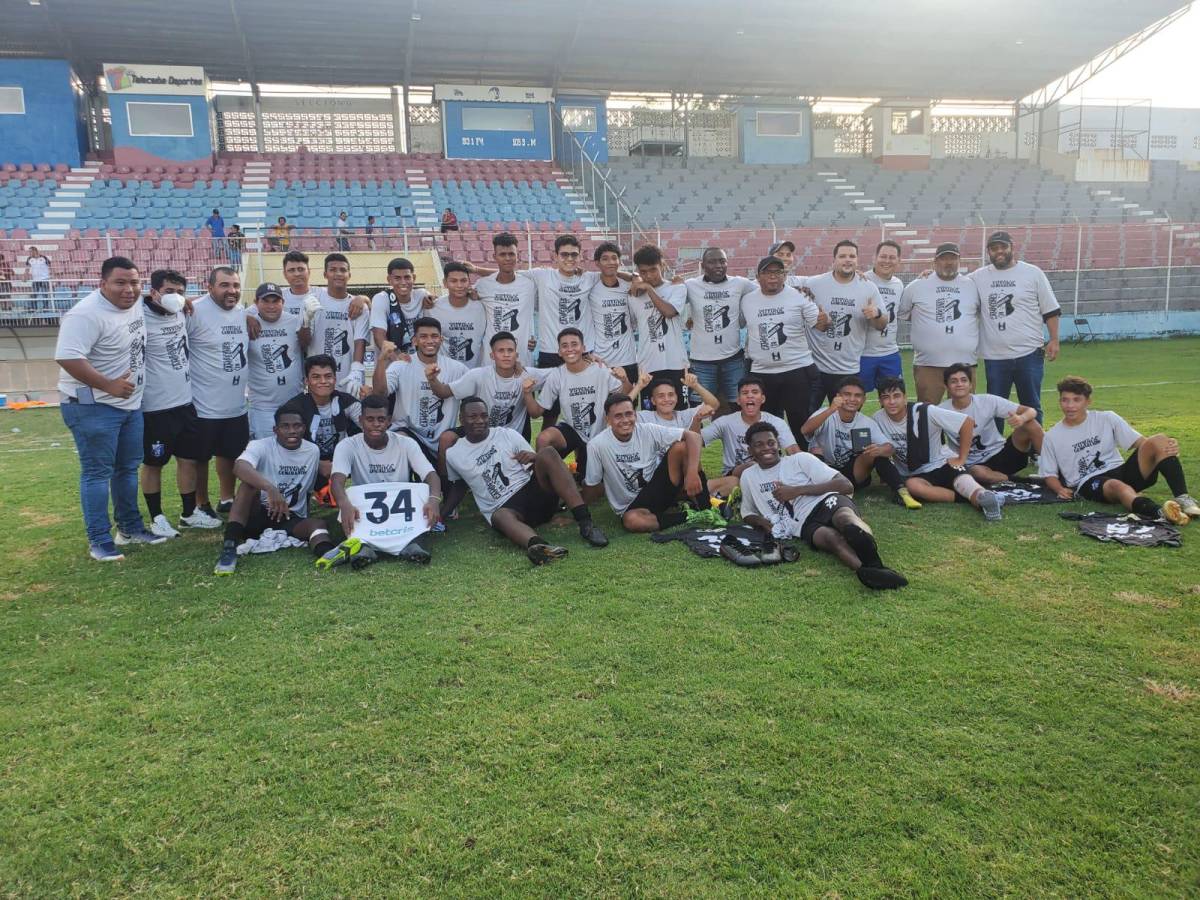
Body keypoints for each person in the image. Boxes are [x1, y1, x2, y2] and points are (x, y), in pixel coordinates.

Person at [54, 256, 163, 560]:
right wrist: (107, 385)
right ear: (102, 283)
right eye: (120, 283)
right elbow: (67, 357)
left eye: (134, 282)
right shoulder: (85, 314)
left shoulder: (135, 302)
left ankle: (129, 528)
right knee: (97, 473)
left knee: (127, 468)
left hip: (129, 404)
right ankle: (99, 540)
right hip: (92, 405)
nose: (129, 289)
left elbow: (159, 301)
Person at [739, 422, 908, 590]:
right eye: (759, 445)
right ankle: (869, 572)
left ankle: (866, 548)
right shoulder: (748, 476)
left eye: (771, 443)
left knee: (845, 520)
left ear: (778, 444)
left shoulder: (800, 459)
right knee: (831, 539)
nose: (766, 448)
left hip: (825, 501)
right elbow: (747, 512)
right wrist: (760, 521)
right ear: (750, 450)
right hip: (802, 523)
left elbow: (845, 485)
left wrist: (797, 490)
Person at [443, 397, 608, 564]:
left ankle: (586, 523)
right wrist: (443, 513)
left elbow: (536, 464)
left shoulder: (506, 434)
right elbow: (460, 485)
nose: (480, 421)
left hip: (533, 492)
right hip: (507, 509)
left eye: (484, 415)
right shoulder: (454, 454)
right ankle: (539, 547)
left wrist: (534, 457)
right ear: (461, 419)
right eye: (473, 416)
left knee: (548, 453)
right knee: (499, 515)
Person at [1039, 376, 1198, 523]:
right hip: (1088, 482)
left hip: (1119, 470)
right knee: (1117, 486)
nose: (1070, 406)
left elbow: (1142, 443)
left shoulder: (1107, 418)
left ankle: (1183, 498)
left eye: (1076, 400)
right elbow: (1049, 474)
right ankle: (1161, 513)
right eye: (1065, 400)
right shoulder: (1052, 436)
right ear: (1060, 401)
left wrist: (1165, 447)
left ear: (1088, 401)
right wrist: (1059, 489)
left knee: (1159, 439)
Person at [213, 403, 336, 575]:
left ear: (304, 428)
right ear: (275, 429)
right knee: (248, 486)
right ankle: (229, 548)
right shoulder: (260, 446)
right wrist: (270, 488)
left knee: (317, 524)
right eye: (285, 426)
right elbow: (239, 467)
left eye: (297, 426)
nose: (292, 431)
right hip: (259, 512)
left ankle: (328, 554)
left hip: (290, 516)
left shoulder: (312, 450)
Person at [140, 268, 218, 536]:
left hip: (185, 402)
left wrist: (184, 301)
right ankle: (156, 517)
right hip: (156, 407)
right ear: (154, 292)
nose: (175, 297)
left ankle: (188, 513)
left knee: (188, 459)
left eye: (180, 292)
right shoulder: (139, 316)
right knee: (154, 463)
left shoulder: (181, 312)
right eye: (169, 291)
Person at [328, 394, 441, 566]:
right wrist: (344, 504)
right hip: (366, 512)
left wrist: (433, 500)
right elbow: (337, 481)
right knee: (349, 500)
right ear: (360, 420)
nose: (376, 424)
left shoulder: (406, 443)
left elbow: (431, 475)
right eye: (370, 419)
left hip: (401, 510)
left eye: (381, 419)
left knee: (422, 494)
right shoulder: (347, 445)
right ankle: (364, 548)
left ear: (389, 421)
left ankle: (414, 545)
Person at [871, 376, 1004, 520]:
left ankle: (982, 497)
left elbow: (967, 422)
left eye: (896, 396)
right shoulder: (878, 418)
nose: (891, 402)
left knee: (965, 483)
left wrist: (962, 458)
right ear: (880, 401)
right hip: (917, 475)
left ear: (905, 398)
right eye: (886, 397)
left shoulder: (925, 411)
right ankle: (974, 498)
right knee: (912, 486)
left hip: (943, 463)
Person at [970, 230, 1062, 423]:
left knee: (1031, 406)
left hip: (1029, 353)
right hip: (995, 356)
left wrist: (1054, 339)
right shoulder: (978, 277)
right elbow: (955, 285)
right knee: (995, 409)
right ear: (988, 252)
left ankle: (1035, 443)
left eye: (1003, 247)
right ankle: (995, 443)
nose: (999, 251)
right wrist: (928, 275)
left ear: (1012, 248)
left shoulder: (1032, 273)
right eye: (994, 248)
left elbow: (1050, 310)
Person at [582, 393, 709, 532]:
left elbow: (694, 437)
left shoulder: (647, 430)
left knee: (682, 447)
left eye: (629, 414)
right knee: (632, 521)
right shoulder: (597, 445)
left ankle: (706, 507)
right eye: (618, 416)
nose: (625, 420)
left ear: (635, 415)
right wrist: (580, 511)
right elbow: (592, 484)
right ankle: (690, 516)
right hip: (632, 505)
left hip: (657, 488)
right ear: (608, 419)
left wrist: (691, 473)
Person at [429, 332, 551, 474]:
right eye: (501, 351)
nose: (506, 355)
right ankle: (445, 484)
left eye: (510, 350)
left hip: (510, 438)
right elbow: (444, 392)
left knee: (519, 474)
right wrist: (432, 379)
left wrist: (580, 360)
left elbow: (558, 374)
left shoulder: (525, 374)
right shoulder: (478, 375)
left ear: (516, 355)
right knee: (447, 438)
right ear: (492, 355)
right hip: (480, 433)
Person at [802, 375, 921, 509]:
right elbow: (805, 430)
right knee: (815, 449)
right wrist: (831, 409)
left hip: (853, 474)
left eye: (857, 395)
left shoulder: (867, 422)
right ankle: (819, 490)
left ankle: (901, 492)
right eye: (847, 394)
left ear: (863, 399)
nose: (852, 399)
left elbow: (890, 448)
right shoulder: (826, 413)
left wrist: (880, 450)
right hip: (825, 472)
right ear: (838, 396)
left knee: (875, 452)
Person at [187, 266, 250, 515]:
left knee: (230, 454)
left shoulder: (242, 312)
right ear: (210, 287)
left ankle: (226, 498)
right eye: (224, 285)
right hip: (204, 404)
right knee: (200, 458)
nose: (231, 290)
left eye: (235, 285)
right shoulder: (194, 311)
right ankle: (201, 503)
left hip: (236, 404)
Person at [740, 255, 826, 438]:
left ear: (785, 275)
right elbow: (737, 322)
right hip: (762, 372)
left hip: (796, 369)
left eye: (778, 272)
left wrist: (825, 321)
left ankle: (803, 455)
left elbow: (820, 325)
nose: (773, 276)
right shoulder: (747, 300)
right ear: (758, 276)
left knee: (801, 424)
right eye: (767, 272)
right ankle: (771, 456)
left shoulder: (799, 295)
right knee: (766, 426)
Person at [525, 327, 634, 470]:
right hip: (571, 430)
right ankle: (540, 479)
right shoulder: (557, 375)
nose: (570, 349)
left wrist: (625, 380)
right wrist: (527, 393)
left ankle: (578, 471)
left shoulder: (600, 370)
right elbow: (536, 412)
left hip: (598, 434)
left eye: (574, 344)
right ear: (559, 351)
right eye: (565, 346)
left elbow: (625, 395)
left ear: (583, 348)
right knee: (543, 438)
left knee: (588, 478)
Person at [372, 316, 468, 467]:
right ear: (414, 341)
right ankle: (405, 479)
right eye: (423, 336)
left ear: (441, 339)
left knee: (450, 439)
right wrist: (381, 361)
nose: (430, 341)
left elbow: (476, 391)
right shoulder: (401, 365)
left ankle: (445, 479)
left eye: (434, 336)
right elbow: (379, 393)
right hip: (410, 434)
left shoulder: (457, 369)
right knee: (400, 436)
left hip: (442, 439)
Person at [804, 239, 887, 404]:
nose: (848, 260)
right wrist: (818, 321)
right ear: (834, 259)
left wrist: (876, 314)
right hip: (815, 368)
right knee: (807, 415)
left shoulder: (868, 287)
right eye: (842, 256)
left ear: (857, 260)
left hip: (849, 369)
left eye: (852, 256)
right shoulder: (813, 284)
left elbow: (882, 325)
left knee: (846, 416)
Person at [896, 242, 980, 404]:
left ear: (959, 261)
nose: (948, 262)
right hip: (928, 364)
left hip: (965, 363)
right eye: (944, 258)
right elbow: (904, 313)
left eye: (953, 258)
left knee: (964, 411)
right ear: (934, 262)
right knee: (928, 411)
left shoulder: (972, 285)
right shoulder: (917, 285)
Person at [940, 363, 1043, 486]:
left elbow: (1031, 411)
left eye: (964, 380)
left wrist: (1021, 418)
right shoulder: (940, 411)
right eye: (954, 381)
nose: (959, 384)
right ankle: (1024, 481)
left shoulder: (987, 401)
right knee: (978, 472)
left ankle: (1053, 471)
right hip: (975, 465)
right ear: (946, 386)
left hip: (1001, 452)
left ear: (971, 384)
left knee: (1030, 424)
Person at [697, 375, 800, 498]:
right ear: (738, 400)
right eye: (745, 393)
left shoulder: (777, 422)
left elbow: (793, 450)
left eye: (755, 392)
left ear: (762, 399)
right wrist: (697, 419)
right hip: (735, 473)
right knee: (751, 468)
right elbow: (696, 440)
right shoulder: (725, 422)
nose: (750, 396)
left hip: (771, 469)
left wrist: (803, 467)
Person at [684, 247, 755, 412]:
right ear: (703, 265)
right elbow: (669, 293)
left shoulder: (740, 283)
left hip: (733, 359)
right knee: (699, 410)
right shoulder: (690, 285)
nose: (718, 266)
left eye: (722, 261)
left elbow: (767, 289)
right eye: (712, 262)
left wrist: (799, 288)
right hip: (701, 361)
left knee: (739, 406)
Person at [290, 354, 363, 485]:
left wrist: (369, 402)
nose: (323, 381)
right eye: (316, 377)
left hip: (342, 459)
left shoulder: (347, 402)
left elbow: (371, 429)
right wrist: (317, 463)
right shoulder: (294, 408)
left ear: (335, 378)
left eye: (328, 376)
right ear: (306, 381)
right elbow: (286, 446)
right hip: (308, 462)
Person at [627, 244, 688, 399]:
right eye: (643, 272)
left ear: (662, 265)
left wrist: (648, 289)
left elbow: (669, 312)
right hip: (648, 365)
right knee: (650, 411)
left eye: (653, 270)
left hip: (676, 363)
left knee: (678, 409)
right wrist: (634, 281)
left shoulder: (676, 288)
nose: (648, 276)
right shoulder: (633, 296)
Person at [247, 282, 305, 441]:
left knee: (294, 449)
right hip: (263, 407)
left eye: (276, 301)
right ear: (256, 303)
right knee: (265, 451)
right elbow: (223, 314)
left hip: (294, 403)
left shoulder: (294, 321)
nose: (271, 306)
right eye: (266, 301)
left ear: (283, 302)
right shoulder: (247, 323)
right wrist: (244, 317)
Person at [471, 232, 538, 367]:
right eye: (502, 254)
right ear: (494, 256)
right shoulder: (482, 285)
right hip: (492, 357)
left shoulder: (530, 285)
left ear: (517, 255)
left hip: (521, 355)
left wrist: (533, 336)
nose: (507, 258)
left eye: (511, 254)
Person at [308, 253, 370, 395]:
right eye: (333, 270)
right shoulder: (313, 300)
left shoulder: (359, 306)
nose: (338, 274)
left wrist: (356, 370)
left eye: (343, 270)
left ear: (349, 275)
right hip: (319, 380)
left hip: (349, 379)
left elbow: (360, 341)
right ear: (325, 274)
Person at [588, 242, 638, 385]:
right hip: (601, 360)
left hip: (628, 359)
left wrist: (634, 276)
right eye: (605, 259)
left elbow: (639, 279)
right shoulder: (590, 287)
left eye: (614, 258)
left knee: (629, 398)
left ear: (619, 261)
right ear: (597, 263)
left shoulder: (629, 287)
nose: (610, 262)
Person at [859, 240, 905, 391]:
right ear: (875, 257)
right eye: (883, 256)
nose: (887, 261)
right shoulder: (862, 279)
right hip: (863, 353)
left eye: (892, 257)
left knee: (894, 397)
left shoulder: (898, 284)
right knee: (856, 397)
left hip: (890, 352)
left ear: (898, 261)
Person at [429, 261, 487, 368]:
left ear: (469, 282)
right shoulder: (432, 308)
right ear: (445, 283)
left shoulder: (482, 307)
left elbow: (509, 276)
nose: (459, 285)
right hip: (445, 372)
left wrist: (477, 269)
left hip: (474, 372)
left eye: (463, 280)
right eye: (454, 281)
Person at [370, 257, 431, 353]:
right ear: (389, 280)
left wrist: (432, 300)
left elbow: (437, 302)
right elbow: (379, 336)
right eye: (397, 278)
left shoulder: (422, 295)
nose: (403, 282)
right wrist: (397, 359)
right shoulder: (381, 298)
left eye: (407, 277)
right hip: (391, 359)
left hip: (418, 358)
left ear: (414, 278)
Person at [637, 370, 717, 429]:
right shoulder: (645, 417)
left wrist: (696, 386)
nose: (667, 399)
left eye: (671, 395)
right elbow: (627, 410)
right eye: (661, 396)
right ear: (653, 400)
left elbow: (713, 405)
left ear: (676, 398)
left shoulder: (684, 416)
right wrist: (639, 387)